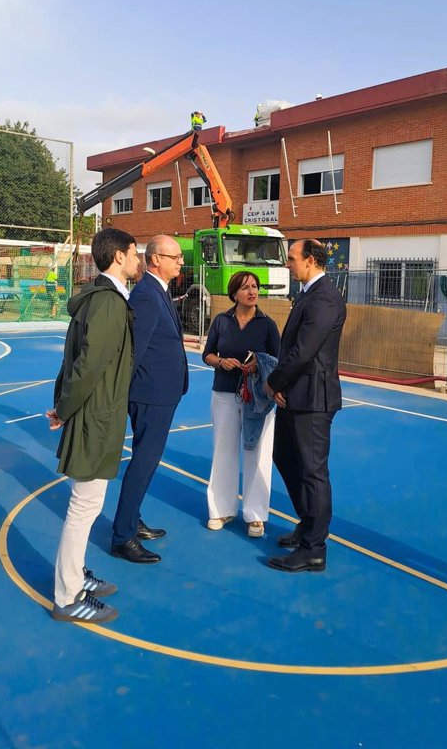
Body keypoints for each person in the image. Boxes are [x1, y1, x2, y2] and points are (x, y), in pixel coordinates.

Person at [47, 228, 139, 624]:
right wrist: (65, 409)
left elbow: (73, 360)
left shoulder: (101, 298)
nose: (137, 260)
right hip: (95, 415)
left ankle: (75, 574)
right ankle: (67, 596)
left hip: (95, 412)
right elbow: (87, 365)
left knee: (87, 503)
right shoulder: (108, 303)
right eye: (134, 253)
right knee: (84, 505)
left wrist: (62, 405)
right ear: (118, 257)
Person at [264, 239, 347, 573]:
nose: (288, 264)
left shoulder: (324, 297)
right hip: (295, 394)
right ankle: (308, 521)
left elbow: (303, 351)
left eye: (292, 258)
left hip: (313, 399)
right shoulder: (309, 294)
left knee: (313, 472)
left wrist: (273, 382)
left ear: (311, 260)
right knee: (283, 455)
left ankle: (314, 548)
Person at [110, 235, 189, 563]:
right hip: (150, 395)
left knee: (147, 461)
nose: (181, 262)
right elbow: (135, 350)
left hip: (161, 392)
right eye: (176, 257)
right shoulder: (146, 295)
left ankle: (132, 519)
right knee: (144, 462)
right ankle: (123, 536)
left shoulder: (158, 291)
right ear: (156, 259)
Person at [202, 271, 280, 536]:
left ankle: (255, 515)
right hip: (224, 394)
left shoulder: (267, 324)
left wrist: (259, 363)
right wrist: (221, 361)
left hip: (258, 399)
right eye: (246, 287)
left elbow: (278, 360)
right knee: (223, 451)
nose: (252, 291)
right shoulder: (221, 321)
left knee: (257, 452)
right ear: (234, 293)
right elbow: (207, 354)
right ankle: (221, 509)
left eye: (255, 286)